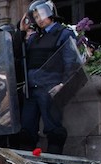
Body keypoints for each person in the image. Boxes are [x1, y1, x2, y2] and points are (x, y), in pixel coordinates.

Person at [17, 1, 75, 154]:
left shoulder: (63, 33)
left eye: (41, 14)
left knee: (54, 130)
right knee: (26, 131)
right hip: (32, 89)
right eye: (35, 16)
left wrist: (63, 84)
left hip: (50, 88)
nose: (39, 19)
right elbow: (21, 57)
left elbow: (71, 62)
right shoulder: (34, 37)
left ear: (50, 13)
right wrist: (21, 32)